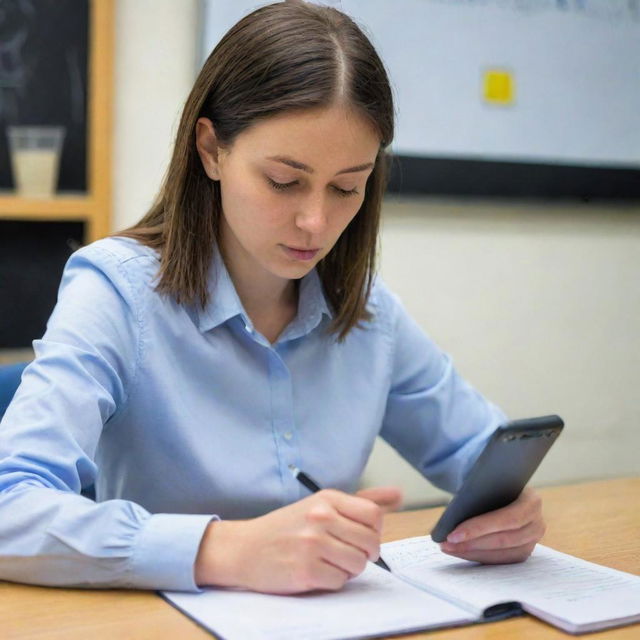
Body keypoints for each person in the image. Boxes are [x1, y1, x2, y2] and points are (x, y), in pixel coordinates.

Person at [0, 0, 544, 595]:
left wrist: (508, 513)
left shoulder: (366, 311)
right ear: (211, 150)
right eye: (284, 181)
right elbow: (11, 511)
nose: (315, 222)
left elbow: (484, 455)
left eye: (347, 188)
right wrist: (223, 548)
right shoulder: (117, 292)